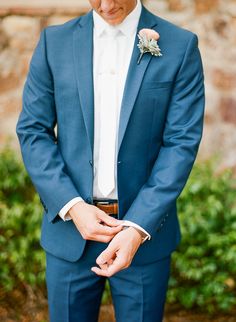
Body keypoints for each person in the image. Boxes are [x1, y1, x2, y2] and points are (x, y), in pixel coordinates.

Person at [16, 0, 205, 321]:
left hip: (143, 236)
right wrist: (72, 206)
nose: (106, 5)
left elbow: (181, 143)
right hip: (70, 233)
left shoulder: (180, 45)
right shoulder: (54, 43)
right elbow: (34, 131)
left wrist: (137, 226)